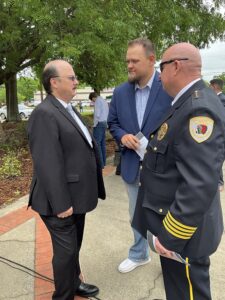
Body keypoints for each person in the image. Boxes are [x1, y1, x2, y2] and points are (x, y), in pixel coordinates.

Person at [132, 43, 225, 300]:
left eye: (160, 67)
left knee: (188, 294)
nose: (159, 75)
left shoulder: (197, 109)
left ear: (176, 65)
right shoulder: (186, 102)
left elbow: (199, 184)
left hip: (183, 236)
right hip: (178, 228)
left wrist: (171, 235)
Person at [27, 59, 105, 300]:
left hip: (77, 197)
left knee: (74, 248)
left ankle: (74, 282)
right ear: (54, 82)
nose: (76, 81)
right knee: (66, 252)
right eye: (71, 78)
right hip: (58, 202)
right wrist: (61, 204)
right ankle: (63, 295)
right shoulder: (44, 113)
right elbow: (47, 163)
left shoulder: (67, 109)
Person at [108, 37, 171, 273]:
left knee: (168, 216)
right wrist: (122, 136)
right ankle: (139, 253)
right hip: (134, 166)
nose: (129, 66)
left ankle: (171, 260)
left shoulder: (168, 87)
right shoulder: (121, 92)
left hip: (163, 168)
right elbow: (113, 122)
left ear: (152, 60)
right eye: (127, 61)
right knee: (136, 214)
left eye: (135, 61)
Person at [210, 78, 225, 191]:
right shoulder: (218, 98)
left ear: (214, 86)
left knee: (218, 155)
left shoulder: (221, 99)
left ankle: (220, 182)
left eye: (210, 86)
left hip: (220, 133)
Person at [89, 92, 109, 168]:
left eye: (92, 100)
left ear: (93, 97)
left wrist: (94, 125)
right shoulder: (104, 100)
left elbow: (97, 114)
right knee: (102, 143)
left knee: (97, 144)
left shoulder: (97, 101)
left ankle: (100, 164)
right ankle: (103, 163)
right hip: (104, 123)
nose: (93, 102)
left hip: (99, 123)